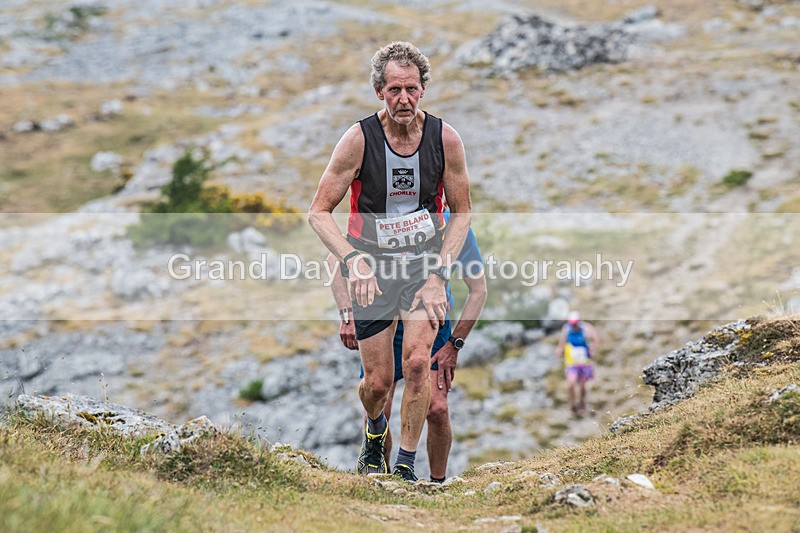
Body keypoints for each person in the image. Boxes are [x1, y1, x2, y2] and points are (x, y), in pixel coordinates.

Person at [308, 41, 472, 482]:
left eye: (411, 89)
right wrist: (353, 260)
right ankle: (375, 428)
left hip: (423, 266)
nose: (404, 99)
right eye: (394, 89)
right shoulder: (358, 139)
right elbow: (318, 212)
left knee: (418, 364)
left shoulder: (445, 139)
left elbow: (462, 213)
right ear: (379, 91)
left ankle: (405, 466)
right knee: (378, 383)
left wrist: (439, 275)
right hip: (373, 269)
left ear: (423, 90)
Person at [327, 211, 486, 482]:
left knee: (437, 408)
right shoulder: (383, 215)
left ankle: (436, 483)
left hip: (429, 317)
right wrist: (347, 314)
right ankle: (382, 479)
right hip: (385, 322)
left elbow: (478, 290)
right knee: (379, 399)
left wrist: (454, 345)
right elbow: (335, 258)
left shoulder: (453, 225)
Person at [554, 311, 600, 417]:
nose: (574, 326)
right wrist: (559, 351)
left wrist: (593, 350)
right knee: (571, 383)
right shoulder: (566, 329)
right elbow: (562, 343)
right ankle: (572, 405)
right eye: (572, 324)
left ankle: (582, 404)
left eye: (575, 324)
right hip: (572, 362)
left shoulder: (586, 328)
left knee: (583, 386)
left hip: (584, 362)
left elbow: (596, 340)